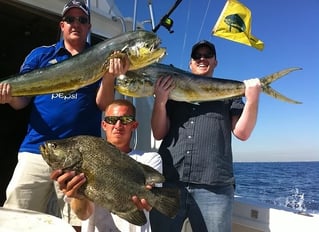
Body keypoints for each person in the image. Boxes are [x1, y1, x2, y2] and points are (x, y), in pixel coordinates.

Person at [0, 0, 129, 230]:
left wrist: (109, 75)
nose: (76, 24)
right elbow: (22, 102)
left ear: (89, 27)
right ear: (62, 25)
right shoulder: (41, 55)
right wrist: (9, 98)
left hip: (80, 158)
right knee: (16, 217)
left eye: (82, 20)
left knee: (78, 222)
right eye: (70, 19)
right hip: (36, 149)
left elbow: (104, 104)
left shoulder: (100, 56)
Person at [150, 40, 262, 232]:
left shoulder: (229, 94)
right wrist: (160, 101)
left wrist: (253, 100)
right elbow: (159, 132)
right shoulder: (170, 93)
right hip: (171, 182)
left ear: (215, 62)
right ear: (190, 64)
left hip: (215, 187)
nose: (202, 58)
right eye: (197, 56)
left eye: (207, 55)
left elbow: (242, 133)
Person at [51, 99, 162, 232]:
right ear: (104, 125)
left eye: (125, 119)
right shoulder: (83, 163)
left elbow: (151, 195)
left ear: (134, 125)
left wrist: (149, 199)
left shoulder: (150, 158)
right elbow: (83, 214)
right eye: (111, 120)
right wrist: (78, 195)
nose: (118, 125)